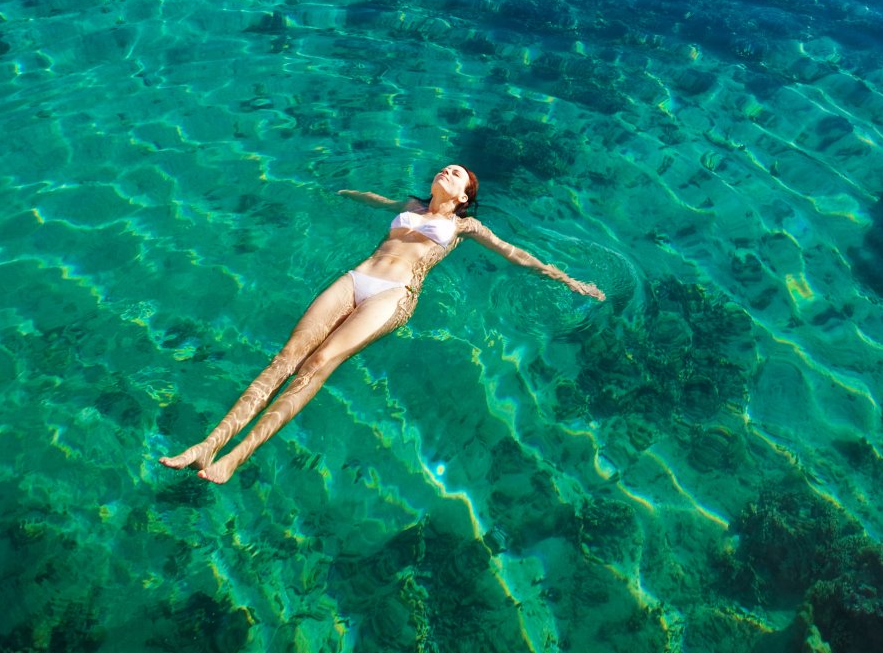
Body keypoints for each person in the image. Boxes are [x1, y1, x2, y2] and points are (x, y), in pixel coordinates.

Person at [158, 164, 605, 484]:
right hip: (356, 277)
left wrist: (568, 280)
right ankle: (207, 443)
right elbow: (379, 201)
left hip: (394, 296)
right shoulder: (411, 204)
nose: (445, 173)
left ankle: (237, 456)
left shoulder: (467, 228)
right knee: (287, 355)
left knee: (318, 362)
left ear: (465, 196)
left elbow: (516, 254)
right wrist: (342, 192)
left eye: (456, 174)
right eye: (443, 169)